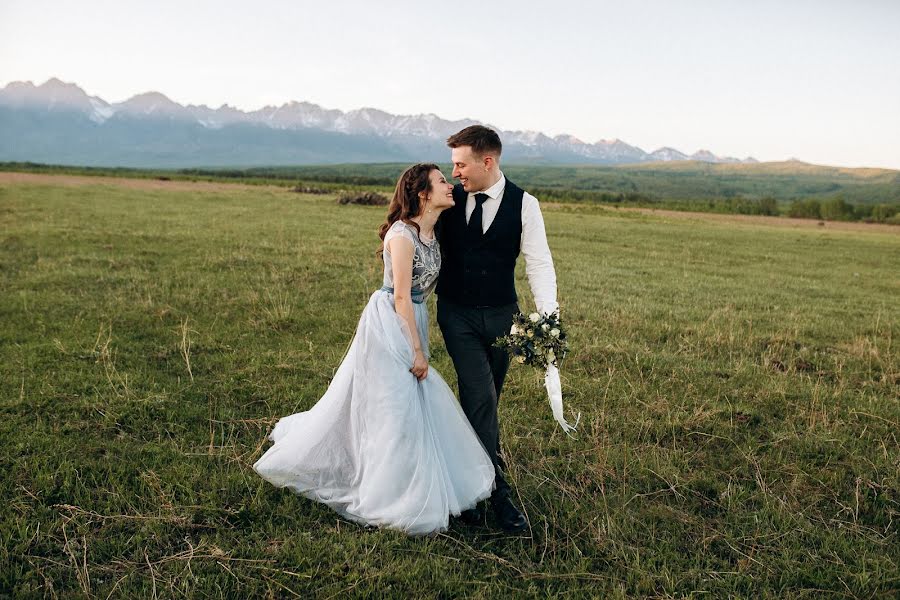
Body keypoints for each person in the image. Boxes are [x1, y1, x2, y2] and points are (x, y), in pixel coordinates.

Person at [253, 164, 495, 536]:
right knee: (395, 405)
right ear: (423, 194)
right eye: (442, 181)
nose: (450, 184)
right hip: (390, 323)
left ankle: (414, 477)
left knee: (412, 404)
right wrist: (416, 350)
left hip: (414, 317)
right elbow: (400, 295)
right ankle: (391, 494)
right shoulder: (401, 236)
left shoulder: (433, 232)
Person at [436, 125, 559, 533]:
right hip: (457, 315)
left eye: (460, 164)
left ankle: (468, 479)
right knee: (480, 394)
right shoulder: (448, 200)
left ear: (487, 161)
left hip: (506, 317)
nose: (455, 173)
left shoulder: (526, 205)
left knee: (488, 401)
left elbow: (538, 262)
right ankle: (494, 492)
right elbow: (413, 231)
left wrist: (547, 318)